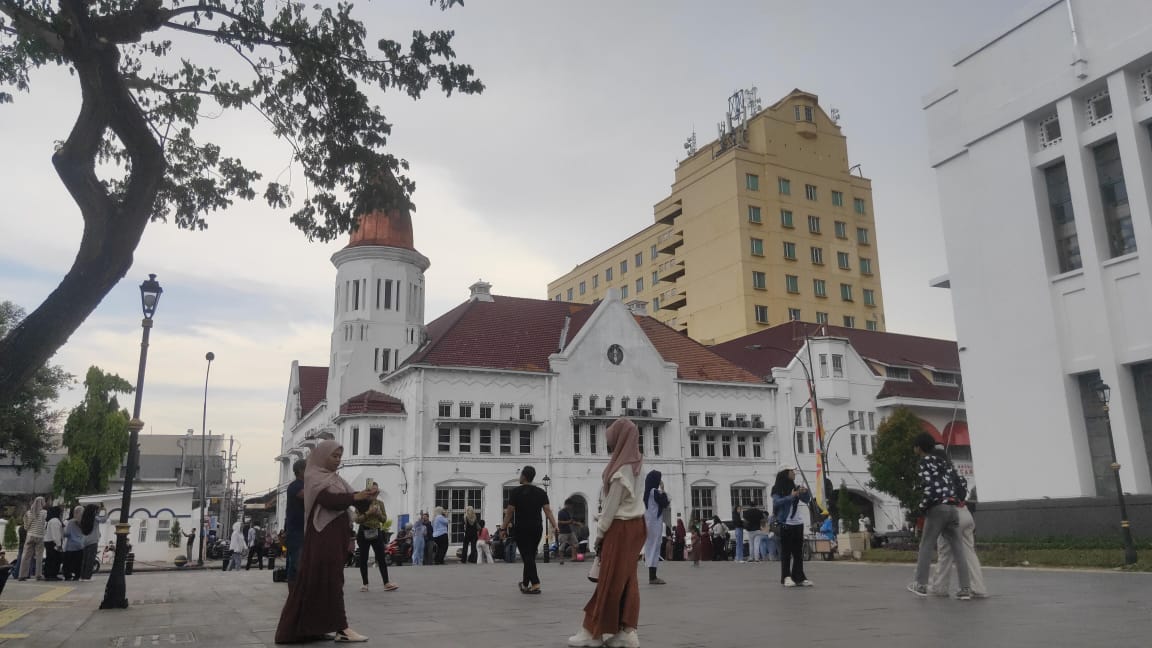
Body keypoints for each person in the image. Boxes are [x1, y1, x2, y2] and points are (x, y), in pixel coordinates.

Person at [275, 439, 376, 643]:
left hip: (335, 536)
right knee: (331, 580)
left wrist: (368, 497)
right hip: (323, 537)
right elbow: (329, 500)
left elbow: (350, 501)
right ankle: (342, 628)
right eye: (334, 456)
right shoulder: (314, 477)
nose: (338, 460)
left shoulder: (335, 479)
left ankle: (309, 628)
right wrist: (356, 498)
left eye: (339, 456)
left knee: (320, 582)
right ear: (322, 456)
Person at [568, 418, 646, 648]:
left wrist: (599, 534)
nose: (610, 444)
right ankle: (627, 630)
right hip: (637, 525)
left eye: (612, 439)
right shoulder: (639, 463)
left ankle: (593, 631)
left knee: (610, 580)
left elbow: (612, 506)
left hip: (620, 527)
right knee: (628, 580)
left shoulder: (622, 469)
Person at [914, 439, 976, 600]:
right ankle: (965, 589)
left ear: (918, 448)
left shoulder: (925, 462)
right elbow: (960, 483)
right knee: (958, 549)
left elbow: (929, 487)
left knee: (926, 544)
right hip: (953, 508)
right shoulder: (946, 464)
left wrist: (922, 506)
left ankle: (920, 585)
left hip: (937, 508)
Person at [503, 465, 559, 594]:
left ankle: (535, 583)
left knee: (527, 556)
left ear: (523, 476)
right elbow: (547, 511)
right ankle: (525, 583)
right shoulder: (541, 492)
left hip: (522, 528)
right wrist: (555, 525)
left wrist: (503, 527)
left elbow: (510, 512)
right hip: (536, 528)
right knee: (530, 556)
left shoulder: (516, 492)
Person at [772, 466, 813, 587]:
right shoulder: (777, 488)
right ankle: (786, 577)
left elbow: (807, 500)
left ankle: (799, 577)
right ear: (785, 473)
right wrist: (791, 496)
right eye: (792, 471)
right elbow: (776, 502)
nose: (794, 473)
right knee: (786, 552)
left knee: (798, 553)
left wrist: (805, 493)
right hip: (786, 523)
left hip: (798, 523)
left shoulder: (795, 487)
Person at [355, 497, 397, 592]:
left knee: (381, 557)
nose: (373, 494)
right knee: (363, 558)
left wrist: (378, 514)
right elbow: (357, 519)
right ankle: (365, 584)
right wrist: (368, 513)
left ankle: (386, 583)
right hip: (364, 531)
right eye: (370, 491)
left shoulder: (380, 503)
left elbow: (384, 519)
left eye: (375, 491)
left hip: (376, 531)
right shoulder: (361, 503)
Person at [642, 470, 670, 584]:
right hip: (655, 523)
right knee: (654, 547)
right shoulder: (654, 492)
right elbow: (665, 502)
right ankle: (653, 577)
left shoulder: (647, 493)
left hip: (648, 523)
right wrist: (663, 488)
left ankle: (652, 575)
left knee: (650, 548)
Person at [285, 459, 307, 585]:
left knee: (301, 563)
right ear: (300, 470)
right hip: (295, 532)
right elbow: (307, 495)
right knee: (296, 564)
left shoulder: (304, 484)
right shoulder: (295, 486)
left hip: (303, 530)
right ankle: (293, 591)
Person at [18, 496, 47, 581]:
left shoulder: (28, 513)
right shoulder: (44, 513)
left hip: (30, 535)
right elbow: (44, 525)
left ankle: (22, 575)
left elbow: (26, 527)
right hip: (40, 536)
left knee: (26, 556)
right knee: (39, 556)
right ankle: (38, 575)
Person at [61, 506, 85, 581]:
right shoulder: (83, 522)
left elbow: (67, 533)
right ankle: (77, 576)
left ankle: (68, 575)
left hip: (71, 546)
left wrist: (62, 533)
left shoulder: (71, 522)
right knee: (78, 562)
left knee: (68, 563)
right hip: (80, 545)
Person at [79, 504, 101, 580]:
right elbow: (104, 519)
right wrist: (105, 512)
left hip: (85, 541)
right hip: (93, 541)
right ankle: (87, 576)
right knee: (90, 560)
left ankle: (82, 575)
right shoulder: (95, 518)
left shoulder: (84, 518)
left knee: (84, 560)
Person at [556, 498, 581, 565]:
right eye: (571, 505)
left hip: (570, 531)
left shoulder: (567, 512)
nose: (571, 507)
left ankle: (574, 558)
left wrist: (577, 523)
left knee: (575, 543)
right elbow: (559, 522)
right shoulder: (561, 512)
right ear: (567, 505)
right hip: (563, 532)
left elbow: (571, 521)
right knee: (562, 546)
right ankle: (561, 559)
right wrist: (568, 522)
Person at [42, 506, 64, 581]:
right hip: (53, 542)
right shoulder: (55, 521)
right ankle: (53, 574)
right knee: (55, 559)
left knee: (49, 559)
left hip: (48, 541)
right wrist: (59, 544)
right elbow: (56, 534)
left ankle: (48, 574)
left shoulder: (49, 521)